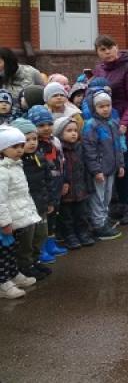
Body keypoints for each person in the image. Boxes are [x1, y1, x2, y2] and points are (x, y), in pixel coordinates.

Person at [93, 35, 128, 226]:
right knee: (112, 162)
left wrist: (124, 122)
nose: (107, 52)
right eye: (102, 49)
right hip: (106, 120)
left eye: (109, 48)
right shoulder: (99, 69)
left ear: (117, 48)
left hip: (126, 121)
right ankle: (117, 203)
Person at [0, 125, 41, 299]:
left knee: (12, 249)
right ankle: (3, 283)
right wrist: (5, 222)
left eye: (20, 146)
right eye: (14, 147)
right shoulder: (2, 171)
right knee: (3, 252)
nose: (19, 150)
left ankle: (13, 274)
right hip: (5, 222)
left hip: (16, 218)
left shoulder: (16, 166)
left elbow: (22, 194)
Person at [10, 118, 53, 280]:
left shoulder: (39, 157)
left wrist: (50, 201)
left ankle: (34, 260)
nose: (31, 143)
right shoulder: (15, 163)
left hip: (40, 204)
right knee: (26, 239)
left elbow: (48, 180)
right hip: (25, 208)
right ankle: (25, 265)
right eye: (26, 140)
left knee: (41, 234)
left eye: (34, 139)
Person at [81, 92, 124, 241]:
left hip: (111, 168)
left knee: (107, 197)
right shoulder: (91, 125)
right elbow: (89, 149)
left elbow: (118, 146)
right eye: (101, 106)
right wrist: (96, 170)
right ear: (94, 108)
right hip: (99, 170)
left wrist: (120, 164)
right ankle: (98, 225)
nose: (105, 109)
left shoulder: (112, 123)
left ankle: (103, 220)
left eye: (108, 105)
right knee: (97, 198)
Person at [27, 105, 66, 262]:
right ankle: (41, 247)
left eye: (49, 124)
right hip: (43, 185)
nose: (46, 128)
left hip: (57, 181)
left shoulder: (55, 140)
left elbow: (62, 160)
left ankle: (51, 243)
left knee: (54, 213)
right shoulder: (34, 145)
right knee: (43, 217)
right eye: (41, 125)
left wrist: (65, 180)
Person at [53, 117, 95, 250]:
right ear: (60, 133)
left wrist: (88, 184)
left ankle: (82, 233)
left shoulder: (79, 147)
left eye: (75, 130)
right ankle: (69, 236)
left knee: (81, 213)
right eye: (69, 130)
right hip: (66, 191)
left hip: (80, 188)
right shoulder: (58, 150)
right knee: (67, 216)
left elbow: (85, 166)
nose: (73, 133)